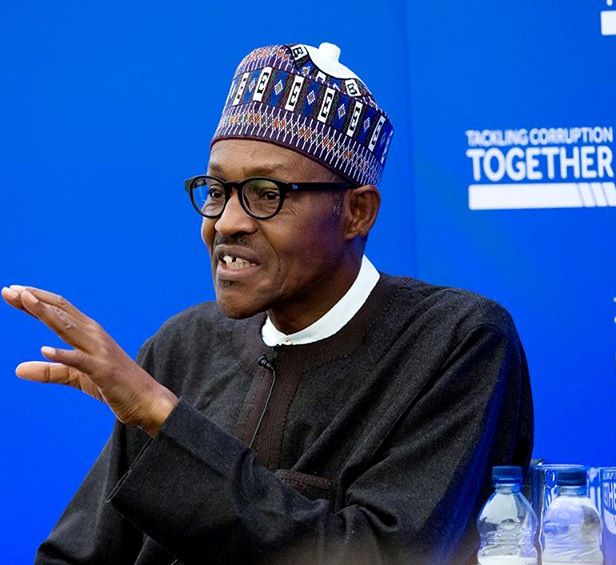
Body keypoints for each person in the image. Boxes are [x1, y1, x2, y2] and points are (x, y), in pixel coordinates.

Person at [2, 43, 533, 564]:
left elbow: (377, 555)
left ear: (356, 212)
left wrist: (165, 418)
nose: (227, 222)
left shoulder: (456, 341)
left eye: (265, 193)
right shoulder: (183, 345)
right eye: (216, 190)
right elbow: (77, 555)